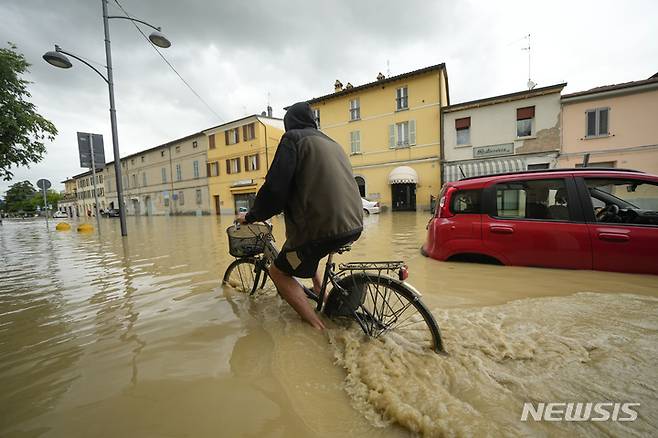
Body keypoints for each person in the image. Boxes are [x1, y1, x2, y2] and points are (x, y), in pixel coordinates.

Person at [237, 102, 363, 330]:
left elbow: (275, 188)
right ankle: (321, 292)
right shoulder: (331, 142)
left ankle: (318, 327)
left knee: (279, 271)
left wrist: (252, 216)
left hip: (322, 227)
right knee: (308, 250)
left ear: (289, 123)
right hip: (354, 222)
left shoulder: (293, 139)